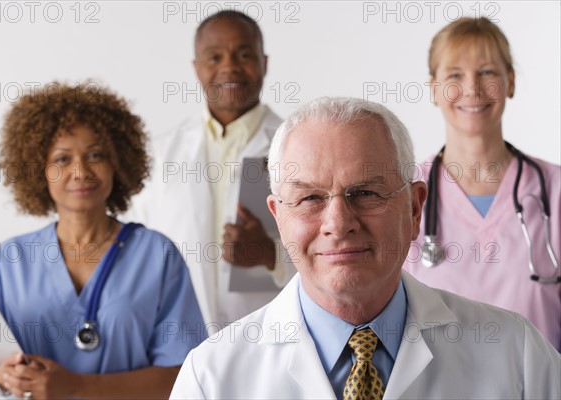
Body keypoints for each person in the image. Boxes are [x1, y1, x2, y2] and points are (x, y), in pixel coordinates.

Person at [170, 97, 560, 400]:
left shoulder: (517, 355)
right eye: (309, 199)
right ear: (278, 216)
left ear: (414, 207)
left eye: (366, 193)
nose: (339, 223)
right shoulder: (211, 378)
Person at [0, 82, 206, 399]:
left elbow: (185, 375)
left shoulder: (157, 255)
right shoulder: (10, 260)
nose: (80, 171)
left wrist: (77, 386)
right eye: (62, 159)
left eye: (96, 155)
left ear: (117, 163)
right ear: (38, 169)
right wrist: (1, 377)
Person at [402, 17, 560, 351]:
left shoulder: (556, 192)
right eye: (455, 75)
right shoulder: (404, 194)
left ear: (511, 82)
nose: (472, 89)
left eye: (487, 72)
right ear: (434, 89)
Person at [130, 10, 295, 328]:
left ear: (265, 63)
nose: (229, 67)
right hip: (179, 338)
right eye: (214, 56)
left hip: (273, 333)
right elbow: (139, 253)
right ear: (196, 68)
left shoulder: (298, 147)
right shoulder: (159, 154)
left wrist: (271, 255)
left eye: (244, 54)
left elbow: (330, 249)